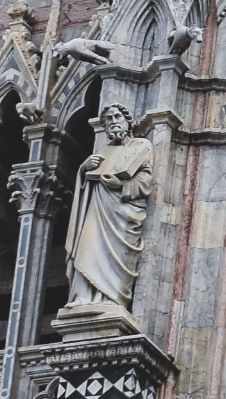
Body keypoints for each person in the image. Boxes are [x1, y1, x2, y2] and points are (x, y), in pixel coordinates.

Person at [62, 103, 153, 317]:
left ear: (128, 121)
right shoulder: (102, 152)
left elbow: (145, 182)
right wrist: (83, 169)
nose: (113, 122)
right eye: (109, 119)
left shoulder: (142, 146)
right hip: (98, 207)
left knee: (117, 255)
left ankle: (112, 297)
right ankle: (84, 296)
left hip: (123, 213)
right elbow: (86, 182)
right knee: (88, 246)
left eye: (117, 117)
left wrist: (121, 185)